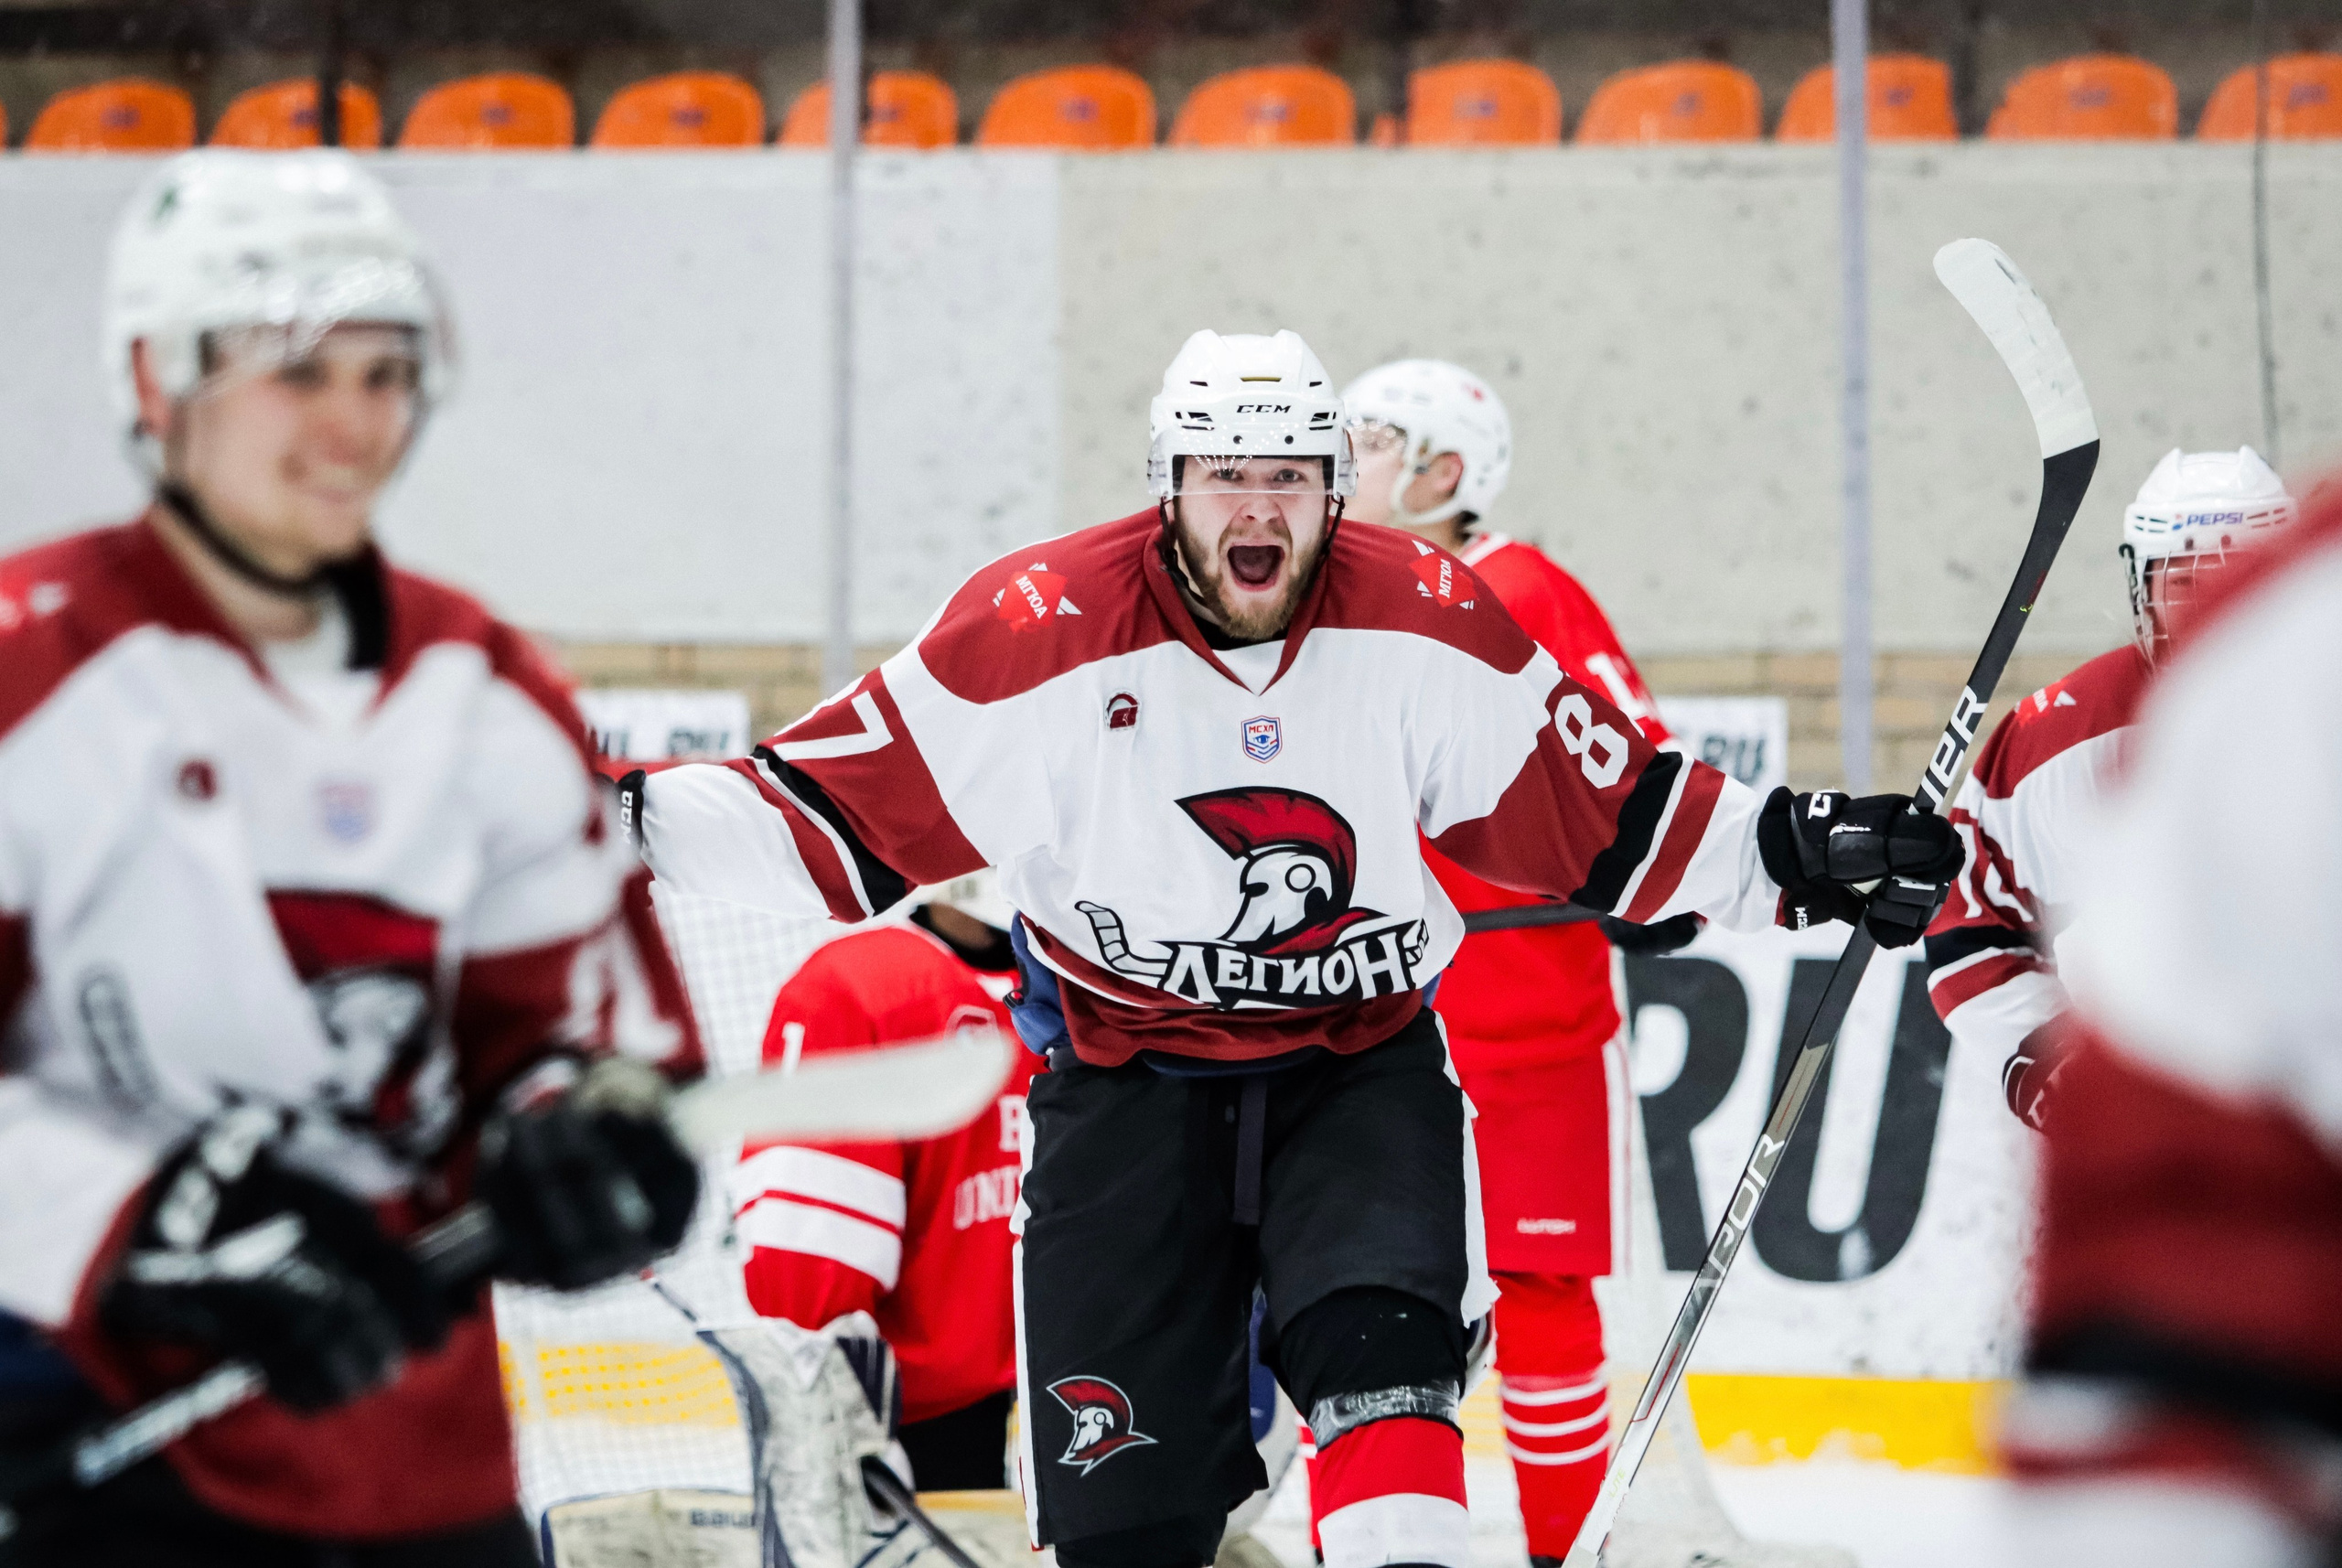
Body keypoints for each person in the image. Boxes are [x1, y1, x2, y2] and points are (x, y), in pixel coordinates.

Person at [625, 327, 1961, 1568]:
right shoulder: (1039, 627)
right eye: (1224, 475)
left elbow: (1607, 812)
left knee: (1390, 1398)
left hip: (1359, 1075)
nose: (1258, 508)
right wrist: (606, 816)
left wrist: (1796, 853)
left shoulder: (1428, 615)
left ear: (1334, 487)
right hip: (1125, 1089)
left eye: (1292, 475)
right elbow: (821, 809)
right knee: (1126, 1528)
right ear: (1167, 484)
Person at [0, 150, 703, 1565]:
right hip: (93, 1457)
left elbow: (578, 1035)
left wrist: (578, 1132)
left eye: (384, 374)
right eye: (300, 372)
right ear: (157, 380)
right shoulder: (34, 676)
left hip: (412, 1472)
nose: (354, 423)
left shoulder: (485, 689)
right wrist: (137, 1225)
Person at [1336, 358, 1692, 1563]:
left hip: (1528, 997)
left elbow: (1633, 743)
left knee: (1541, 1286)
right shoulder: (1330, 598)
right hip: (1372, 999)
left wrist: (1661, 866)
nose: (1348, 462)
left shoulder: (1522, 584)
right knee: (1355, 1284)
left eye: (1372, 442)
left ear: (1443, 471)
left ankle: (1559, 1549)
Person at [1999, 474, 2342, 1568]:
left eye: (2209, 574)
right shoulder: (2070, 725)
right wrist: (2025, 1053)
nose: (2187, 604)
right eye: (2170, 577)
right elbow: (1973, 903)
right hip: (2197, 1164)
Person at [1924, 448, 2295, 1130]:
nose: (2210, 612)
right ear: (2139, 589)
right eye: (2183, 584)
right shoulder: (2064, 740)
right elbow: (1970, 917)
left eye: (2241, 579)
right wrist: (2048, 1059)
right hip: (2164, 1152)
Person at [732, 870, 1037, 1490]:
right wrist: (833, 1410)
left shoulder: (1106, 993)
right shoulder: (856, 989)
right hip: (920, 1418)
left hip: (1091, 1399)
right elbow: (808, 1255)